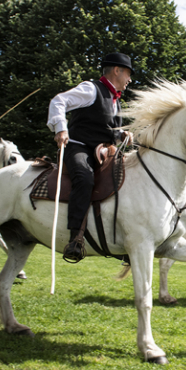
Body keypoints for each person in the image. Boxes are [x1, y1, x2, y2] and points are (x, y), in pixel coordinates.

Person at [48, 53, 135, 262]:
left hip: (104, 151)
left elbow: (105, 128)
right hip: (78, 147)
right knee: (85, 178)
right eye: (128, 74)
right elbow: (59, 101)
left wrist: (121, 134)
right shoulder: (90, 89)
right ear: (117, 70)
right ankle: (75, 238)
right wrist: (61, 128)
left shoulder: (116, 100)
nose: (130, 80)